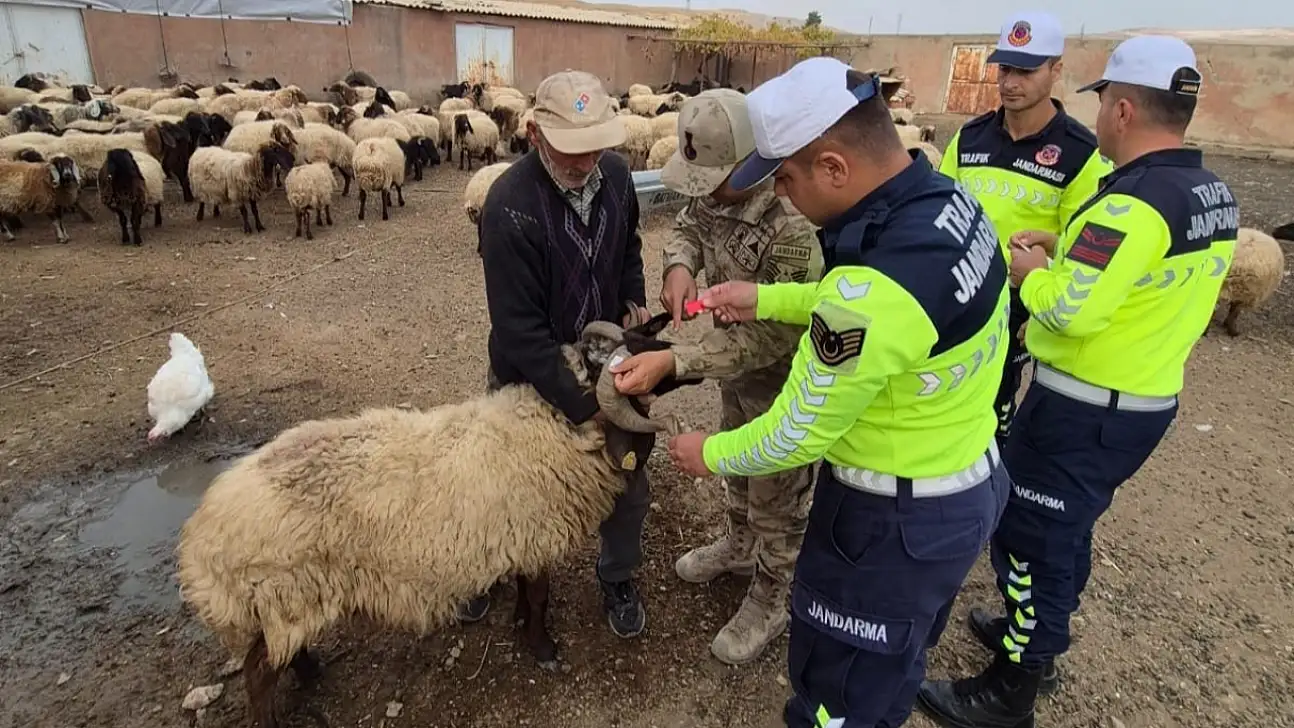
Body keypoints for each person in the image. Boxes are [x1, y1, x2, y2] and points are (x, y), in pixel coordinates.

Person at [665, 56, 1014, 728]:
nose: (786, 195)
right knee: (894, 663)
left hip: (891, 521)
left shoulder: (868, 291)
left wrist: (707, 452)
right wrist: (768, 294)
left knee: (837, 695)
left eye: (788, 178)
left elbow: (798, 430)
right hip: (959, 480)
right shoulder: (945, 205)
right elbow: (889, 308)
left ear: (833, 167)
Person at [917, 35, 1237, 728]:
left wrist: (1034, 271)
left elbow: (1068, 307)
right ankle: (1033, 636)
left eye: (1103, 107)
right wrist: (1066, 248)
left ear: (1122, 110)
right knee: (1066, 528)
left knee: (1031, 535)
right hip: (1141, 398)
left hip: (1084, 406)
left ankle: (1013, 689)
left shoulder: (1132, 203)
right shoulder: (1207, 191)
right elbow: (1141, 277)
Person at [608, 88, 823, 665]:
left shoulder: (793, 224)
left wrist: (676, 360)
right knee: (735, 461)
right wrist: (679, 265)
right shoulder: (718, 193)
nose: (701, 191)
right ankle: (738, 544)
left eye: (711, 178)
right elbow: (688, 224)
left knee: (778, 493)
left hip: (785, 387)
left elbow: (769, 337)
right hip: (737, 380)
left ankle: (772, 595)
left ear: (751, 164)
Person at [468, 69, 654, 639]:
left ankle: (617, 573)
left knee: (627, 473)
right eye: (571, 148)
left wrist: (633, 300)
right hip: (529, 373)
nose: (585, 160)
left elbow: (628, 249)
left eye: (595, 145)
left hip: (602, 357)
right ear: (533, 134)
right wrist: (582, 405)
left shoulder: (617, 176)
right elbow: (519, 330)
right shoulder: (508, 206)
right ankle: (487, 570)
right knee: (502, 483)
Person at [938, 11, 1112, 454]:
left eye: (1026, 70)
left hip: (1017, 308)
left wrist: (1037, 300)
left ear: (1055, 71)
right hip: (953, 297)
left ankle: (987, 496)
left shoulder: (1081, 153)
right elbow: (939, 212)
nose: (1010, 82)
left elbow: (1082, 245)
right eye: (1005, 68)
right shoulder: (969, 139)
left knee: (993, 408)